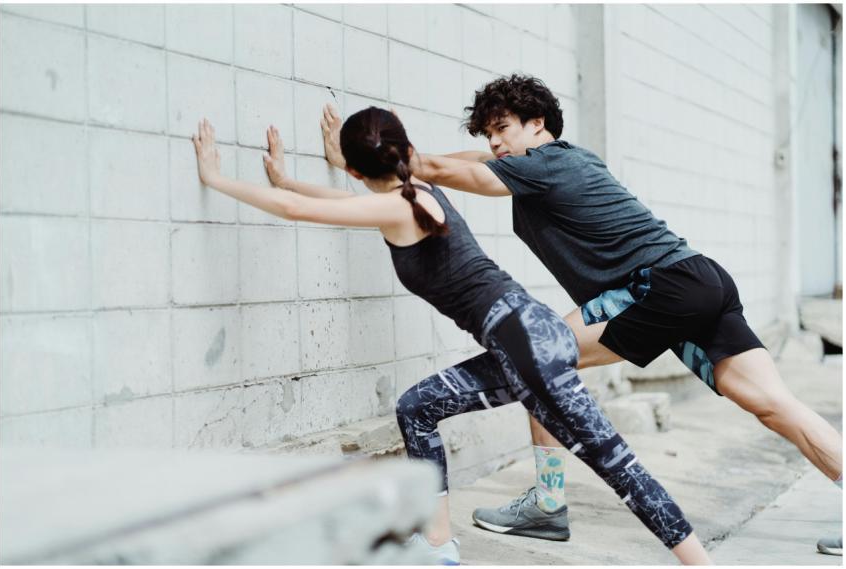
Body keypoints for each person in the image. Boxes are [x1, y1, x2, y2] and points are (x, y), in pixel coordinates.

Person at [321, 74, 843, 552]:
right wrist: (405, 160)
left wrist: (371, 156)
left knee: (540, 356)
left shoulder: (543, 166)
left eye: (502, 128)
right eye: (488, 134)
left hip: (659, 287)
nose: (495, 142)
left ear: (537, 124)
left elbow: (438, 169)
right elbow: (469, 161)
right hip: (700, 278)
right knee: (774, 404)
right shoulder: (560, 161)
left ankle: (549, 505)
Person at [191, 108, 712, 565]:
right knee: (417, 408)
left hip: (526, 345)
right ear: (404, 151)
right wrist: (287, 180)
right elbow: (336, 202)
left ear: (355, 170)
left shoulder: (400, 203)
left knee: (619, 468)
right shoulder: (413, 194)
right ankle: (438, 545)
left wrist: (217, 178)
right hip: (530, 336)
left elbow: (303, 211)